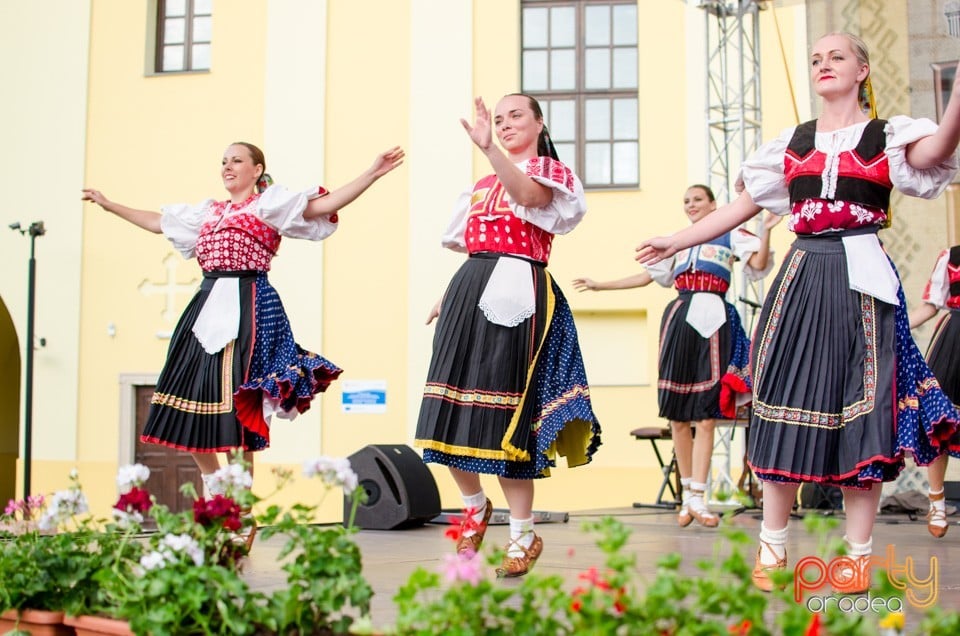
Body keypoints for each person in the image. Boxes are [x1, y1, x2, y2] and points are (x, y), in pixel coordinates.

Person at [637, 32, 960, 594]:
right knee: (785, 400)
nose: (823, 64)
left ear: (862, 70)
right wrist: (675, 239)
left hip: (862, 281)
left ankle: (858, 557)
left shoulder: (887, 135)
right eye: (816, 59)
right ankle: (773, 544)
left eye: (837, 57)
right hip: (803, 275)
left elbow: (934, 154)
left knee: (865, 412)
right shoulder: (794, 143)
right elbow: (743, 207)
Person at [82, 142, 404, 536]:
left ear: (257, 169)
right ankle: (220, 497)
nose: (227, 166)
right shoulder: (208, 213)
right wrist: (110, 204)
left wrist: (370, 173)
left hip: (249, 303)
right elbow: (157, 221)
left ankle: (239, 510)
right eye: (223, 161)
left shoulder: (269, 205)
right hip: (205, 305)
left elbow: (321, 206)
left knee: (239, 408)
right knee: (183, 408)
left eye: (236, 160)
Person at [414, 94, 601, 577]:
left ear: (539, 122)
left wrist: (490, 150)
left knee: (505, 419)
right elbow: (476, 248)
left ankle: (523, 533)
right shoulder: (479, 186)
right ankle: (474, 505)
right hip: (470, 288)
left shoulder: (549, 172)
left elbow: (528, 198)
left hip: (520, 291)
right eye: (498, 119)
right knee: (450, 411)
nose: (505, 124)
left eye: (515, 115)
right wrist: (448, 293)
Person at [574, 184, 779, 528]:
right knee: (678, 416)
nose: (691, 205)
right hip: (680, 319)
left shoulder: (730, 233)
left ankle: (699, 494)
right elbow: (646, 277)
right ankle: (687, 497)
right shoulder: (678, 240)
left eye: (698, 199)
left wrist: (766, 230)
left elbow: (758, 264)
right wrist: (600, 285)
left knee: (708, 412)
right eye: (686, 200)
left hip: (714, 318)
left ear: (714, 204)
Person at [909, 247, 960, 537]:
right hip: (955, 340)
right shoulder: (951, 257)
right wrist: (894, 328)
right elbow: (930, 306)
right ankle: (937, 499)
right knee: (943, 420)